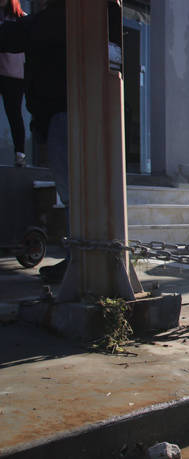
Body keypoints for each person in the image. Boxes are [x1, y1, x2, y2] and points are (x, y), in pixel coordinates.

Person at [0, 0, 67, 282]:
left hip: (62, 115)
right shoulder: (65, 20)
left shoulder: (53, 20)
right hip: (68, 113)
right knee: (74, 190)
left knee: (72, 189)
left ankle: (82, 258)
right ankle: (81, 257)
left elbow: (14, 36)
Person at [0, 0, 26, 166]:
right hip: (9, 72)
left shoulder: (21, 18)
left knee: (14, 114)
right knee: (14, 114)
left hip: (14, 74)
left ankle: (20, 154)